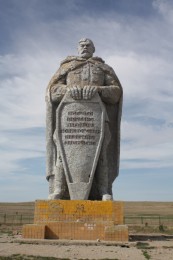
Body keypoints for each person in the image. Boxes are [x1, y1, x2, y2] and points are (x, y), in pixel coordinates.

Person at [46, 38, 123, 200]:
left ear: (93, 49)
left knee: (101, 152)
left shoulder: (102, 69)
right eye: (82, 45)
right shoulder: (67, 67)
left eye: (88, 45)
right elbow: (52, 92)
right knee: (62, 151)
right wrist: (68, 89)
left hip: (97, 119)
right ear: (77, 48)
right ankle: (59, 189)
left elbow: (116, 93)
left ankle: (103, 190)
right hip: (68, 119)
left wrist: (98, 90)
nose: (85, 47)